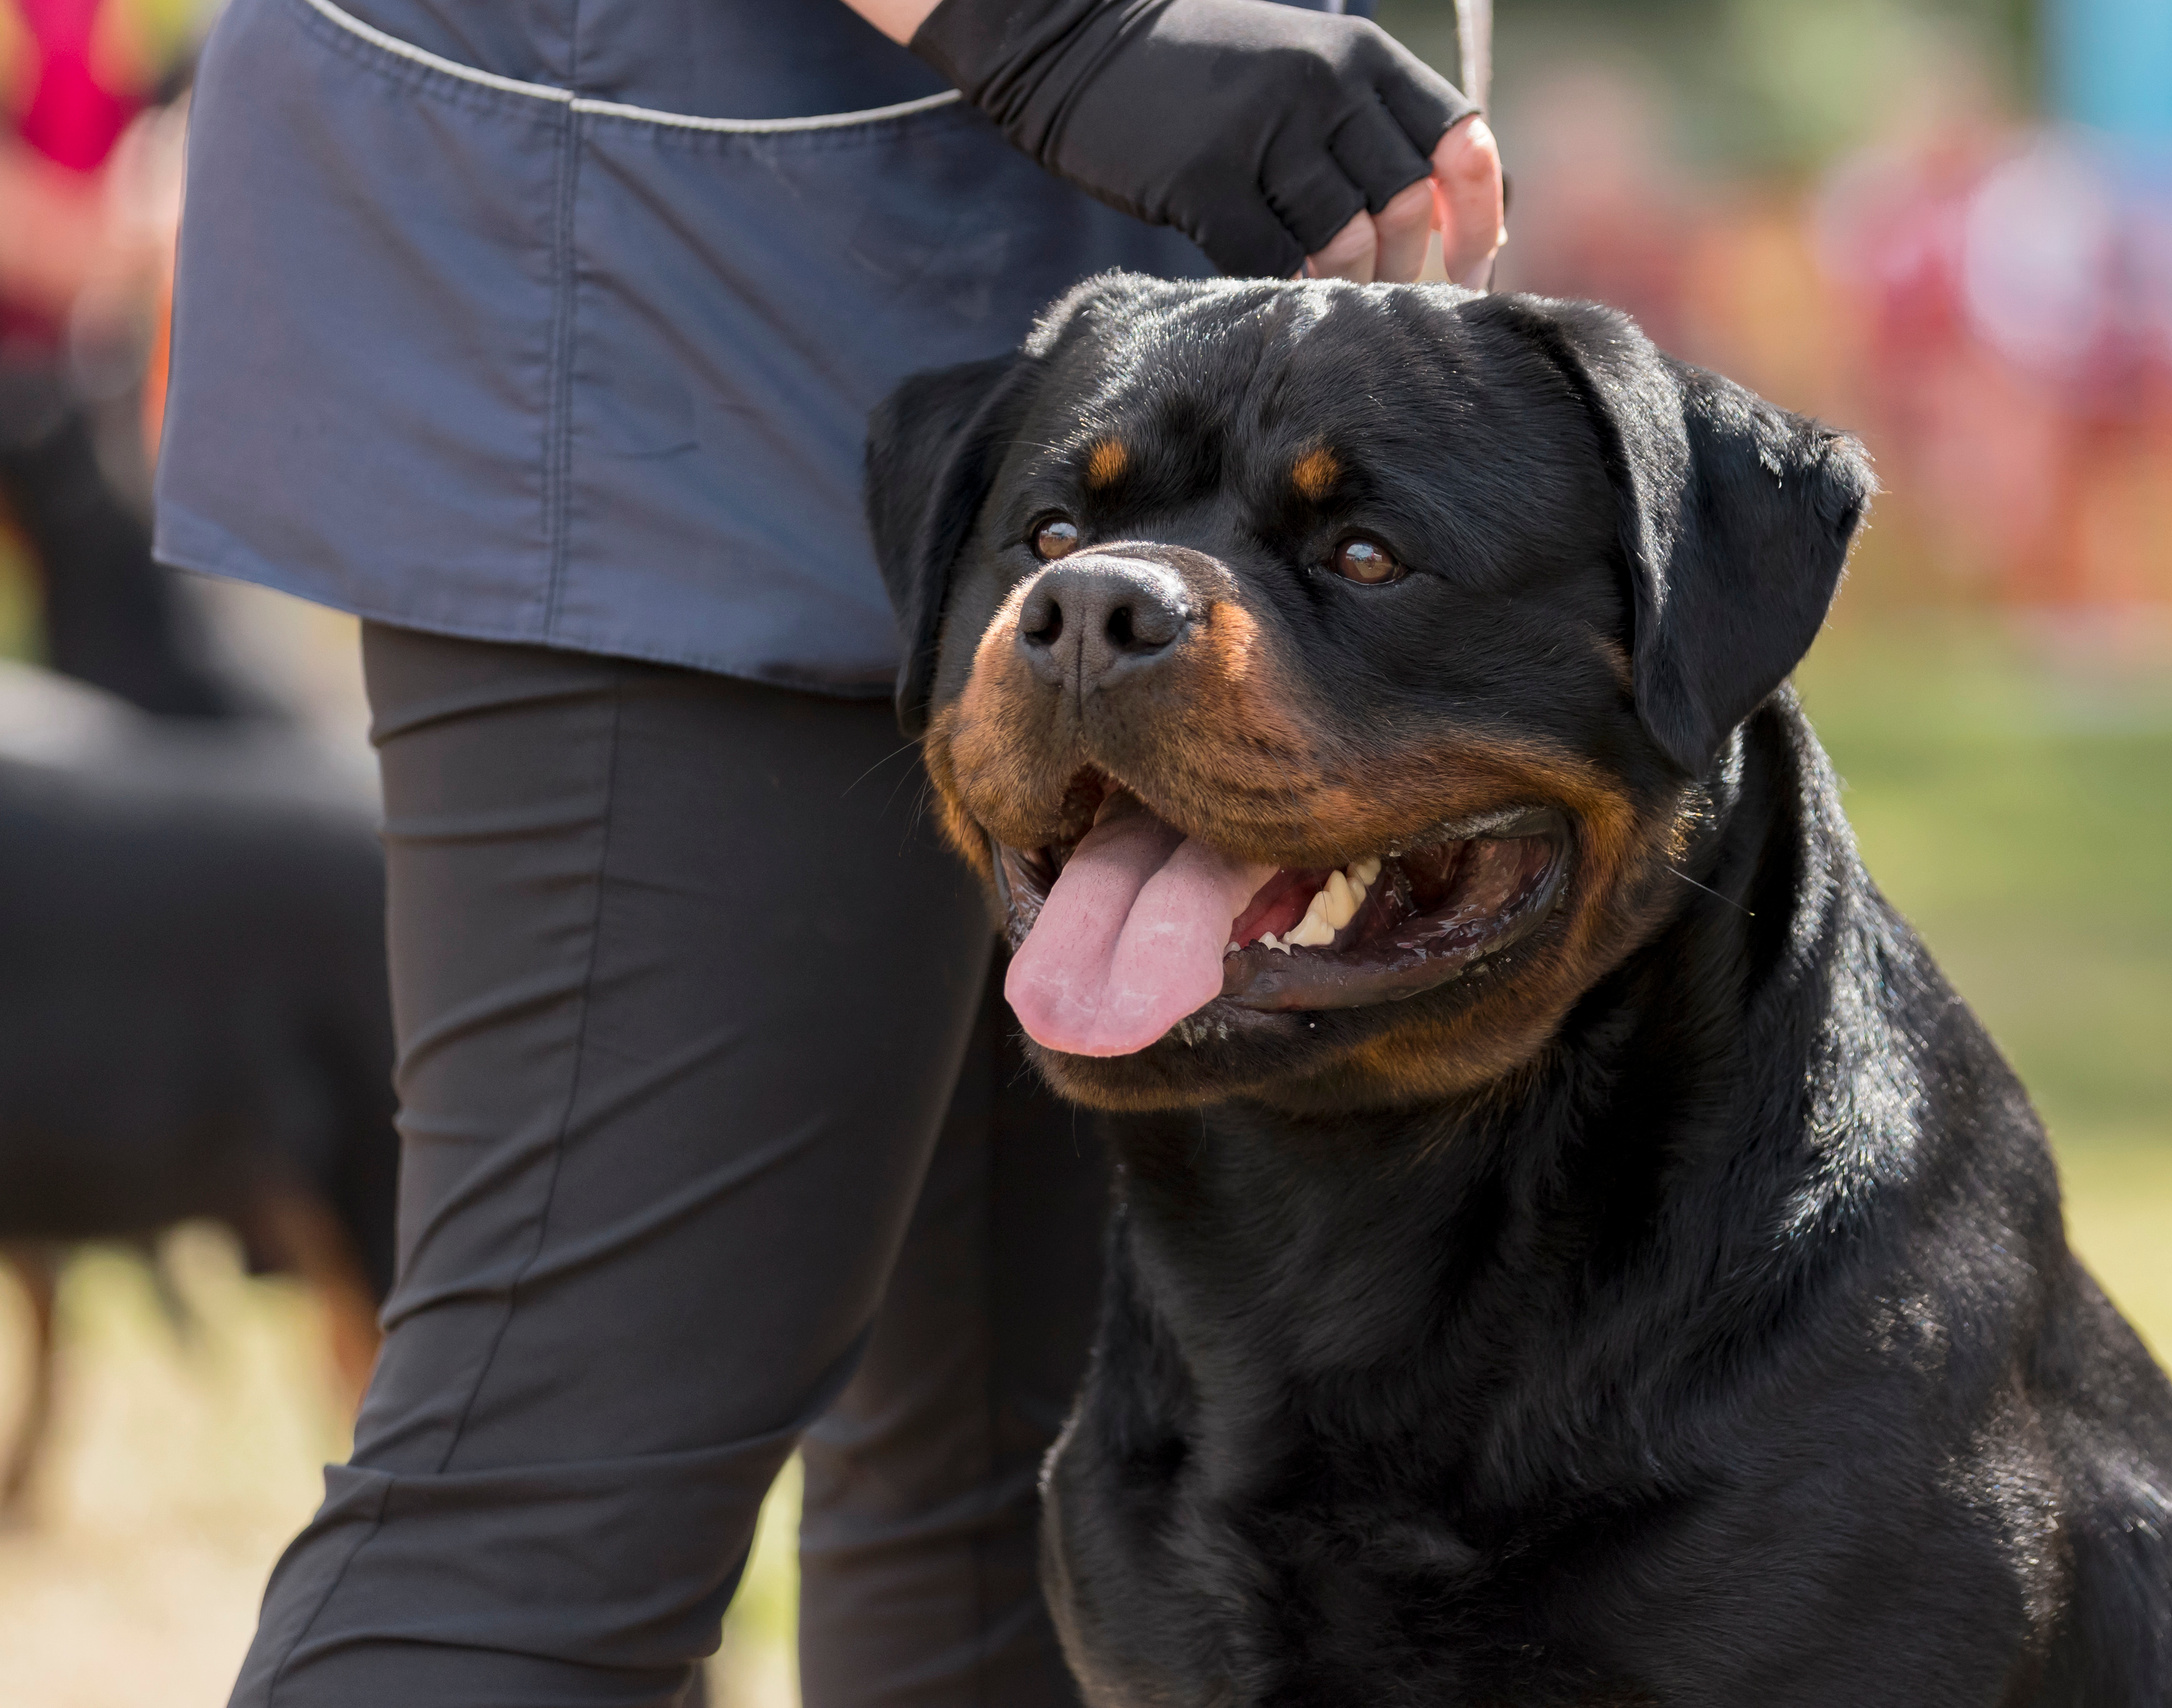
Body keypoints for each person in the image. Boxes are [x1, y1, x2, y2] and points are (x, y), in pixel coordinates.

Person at [152, 0, 1502, 1704]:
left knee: (1036, 1493)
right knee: (546, 1520)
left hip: (1135, 315)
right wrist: (1071, 26)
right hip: (678, 242)